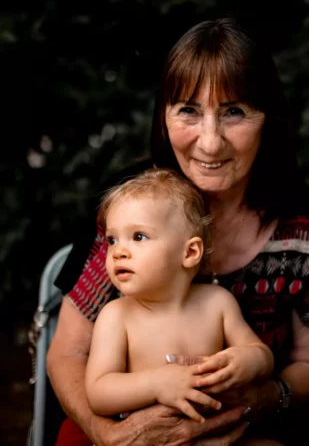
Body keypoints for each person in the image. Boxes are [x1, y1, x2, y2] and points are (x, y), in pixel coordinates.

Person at [47, 18, 309, 446]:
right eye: (188, 110)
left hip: (254, 428)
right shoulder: (127, 206)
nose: (210, 143)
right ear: (164, 116)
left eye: (234, 112)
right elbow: (67, 354)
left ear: (268, 119)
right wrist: (109, 434)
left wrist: (257, 397)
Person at [85, 168, 274, 424]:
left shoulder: (217, 303)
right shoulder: (117, 316)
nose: (118, 251)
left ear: (190, 253)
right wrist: (156, 384)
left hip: (216, 432)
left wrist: (246, 361)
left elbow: (262, 354)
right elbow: (98, 393)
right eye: (112, 240)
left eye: (138, 236)